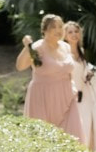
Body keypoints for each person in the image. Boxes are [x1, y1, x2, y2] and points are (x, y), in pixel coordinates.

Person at [16, 14, 84, 143]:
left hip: (67, 97)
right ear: (44, 30)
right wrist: (27, 47)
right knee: (42, 139)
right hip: (42, 97)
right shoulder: (37, 47)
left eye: (60, 26)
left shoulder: (66, 47)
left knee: (72, 137)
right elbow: (20, 66)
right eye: (53, 27)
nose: (58, 30)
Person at [64, 21, 96, 152]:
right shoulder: (63, 52)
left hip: (85, 94)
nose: (74, 34)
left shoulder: (82, 51)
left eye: (76, 31)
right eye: (70, 32)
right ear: (65, 35)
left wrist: (94, 71)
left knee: (88, 123)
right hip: (71, 95)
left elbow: (84, 73)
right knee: (74, 124)